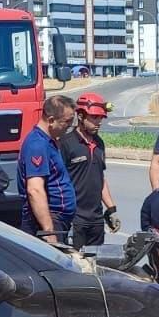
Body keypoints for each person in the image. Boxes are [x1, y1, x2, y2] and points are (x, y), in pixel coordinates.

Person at [61, 92, 121, 247]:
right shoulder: (66, 143)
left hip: (96, 219)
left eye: (101, 118)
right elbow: (57, 182)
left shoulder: (99, 144)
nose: (98, 122)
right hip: (75, 219)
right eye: (94, 118)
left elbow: (100, 178)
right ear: (80, 116)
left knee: (96, 263)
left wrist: (111, 209)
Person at [18, 94, 77, 243]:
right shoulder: (37, 145)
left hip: (58, 220)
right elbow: (35, 190)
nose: (70, 126)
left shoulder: (48, 142)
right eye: (67, 122)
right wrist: (48, 231)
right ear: (51, 120)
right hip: (48, 221)